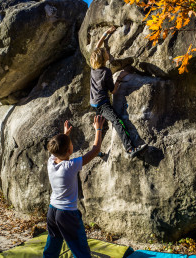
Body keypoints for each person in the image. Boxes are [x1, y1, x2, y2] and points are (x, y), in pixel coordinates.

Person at [43, 116, 105, 258]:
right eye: (70, 144)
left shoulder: (50, 162)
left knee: (53, 243)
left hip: (52, 211)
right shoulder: (70, 166)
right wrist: (98, 129)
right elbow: (95, 150)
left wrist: (65, 135)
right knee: (80, 248)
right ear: (70, 150)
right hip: (67, 214)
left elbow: (58, 150)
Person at [90, 26, 147, 158]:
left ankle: (96, 151)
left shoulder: (93, 68)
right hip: (102, 104)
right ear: (104, 59)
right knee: (117, 121)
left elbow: (97, 47)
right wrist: (120, 78)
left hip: (93, 103)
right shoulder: (106, 72)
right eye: (106, 54)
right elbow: (114, 91)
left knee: (101, 126)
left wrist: (106, 33)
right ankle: (130, 149)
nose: (108, 53)